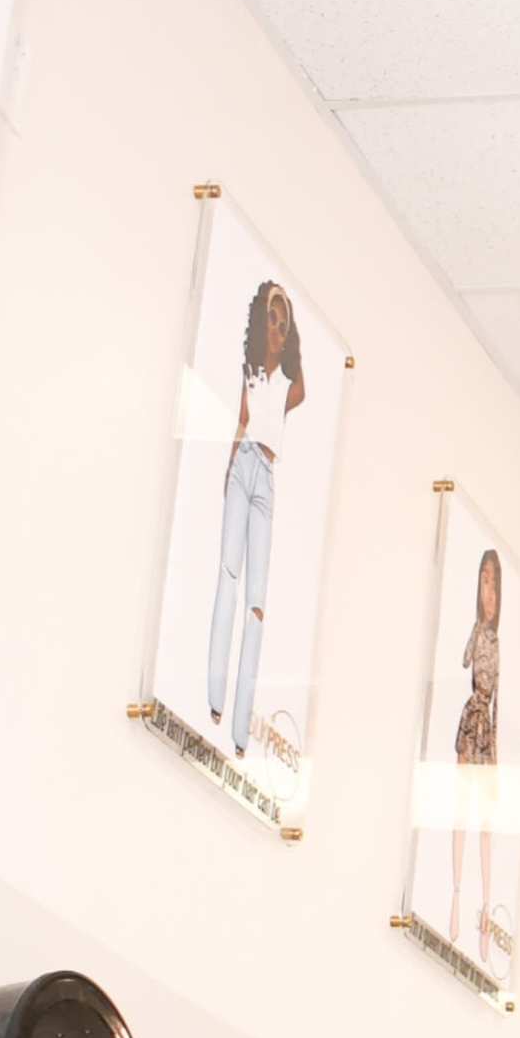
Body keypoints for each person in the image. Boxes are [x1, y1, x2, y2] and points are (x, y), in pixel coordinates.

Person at [206, 278, 306, 755]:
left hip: (266, 474)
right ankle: (214, 696)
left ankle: (241, 727)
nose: (277, 329)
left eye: (283, 324)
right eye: (271, 318)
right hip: (243, 461)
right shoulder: (250, 372)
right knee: (228, 575)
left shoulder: (288, 384)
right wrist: (228, 466)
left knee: (257, 603)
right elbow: (242, 421)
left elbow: (300, 388)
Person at [442, 550, 502, 964]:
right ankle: (457, 892)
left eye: (494, 584)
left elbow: (499, 692)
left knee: (484, 817)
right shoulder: (480, 632)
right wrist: (474, 630)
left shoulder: (497, 640)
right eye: (484, 582)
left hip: (488, 726)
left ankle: (484, 901)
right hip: (473, 719)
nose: (490, 592)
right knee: (463, 809)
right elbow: (465, 661)